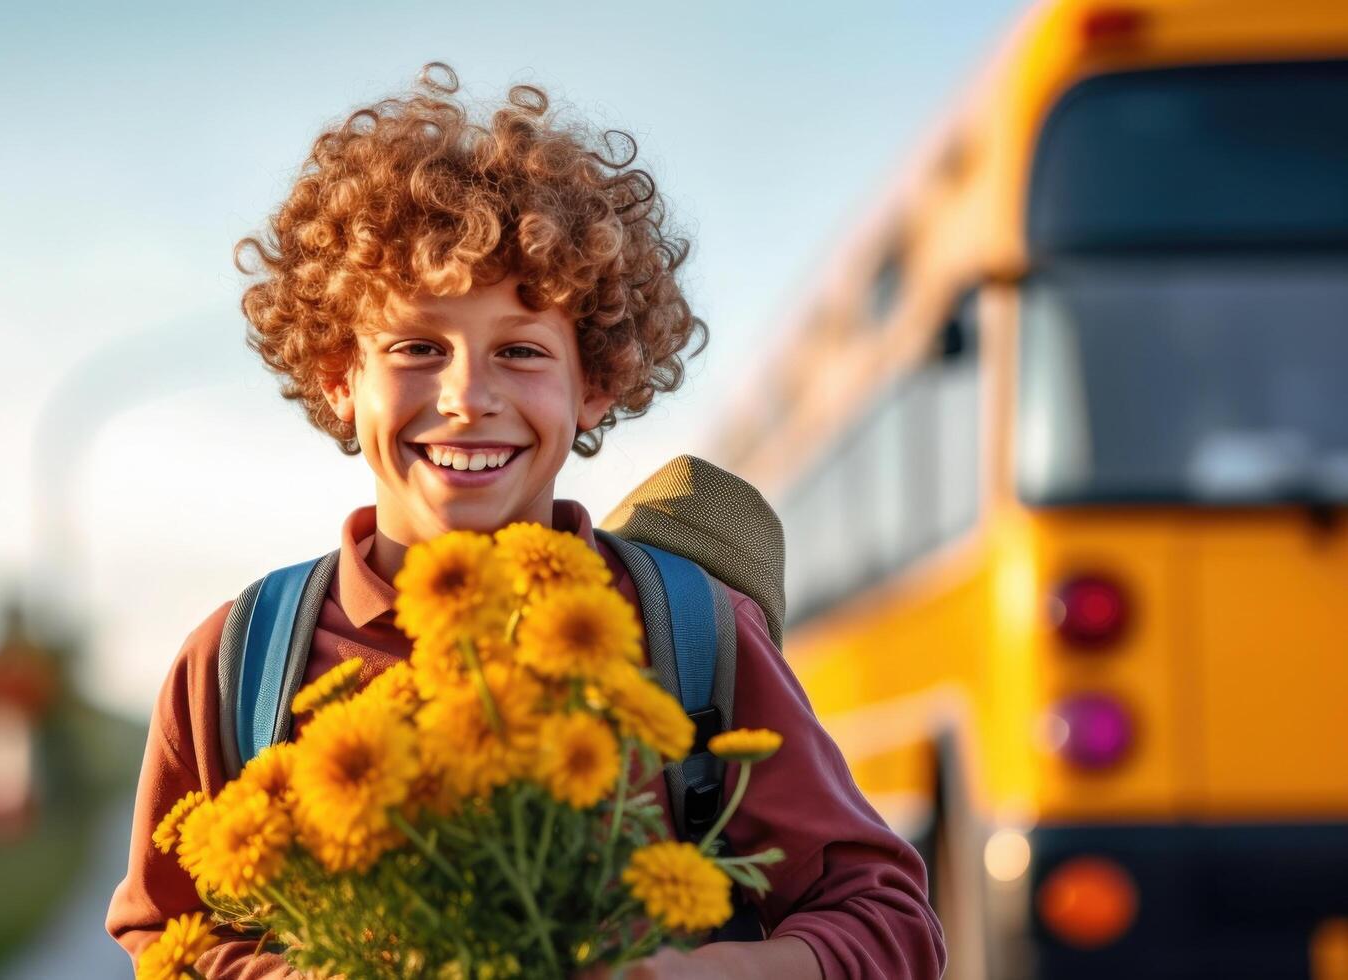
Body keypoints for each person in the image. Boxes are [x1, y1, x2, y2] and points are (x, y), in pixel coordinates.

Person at [104, 62, 946, 979]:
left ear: (598, 384)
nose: (467, 398)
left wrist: (677, 976)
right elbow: (165, 937)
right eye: (416, 348)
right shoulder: (235, 663)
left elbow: (891, 924)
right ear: (339, 378)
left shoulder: (691, 635)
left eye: (519, 350)